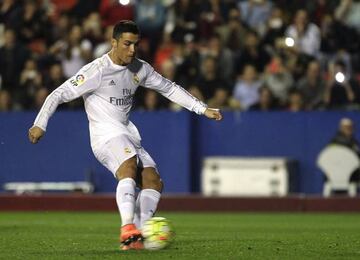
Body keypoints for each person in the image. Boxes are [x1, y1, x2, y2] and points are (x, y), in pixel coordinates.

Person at [27, 20, 222, 250]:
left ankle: (135, 237)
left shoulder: (140, 68)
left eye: (135, 45)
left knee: (153, 182)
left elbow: (169, 88)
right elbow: (58, 94)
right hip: (105, 135)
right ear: (114, 42)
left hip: (127, 133)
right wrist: (40, 123)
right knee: (128, 166)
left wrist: (202, 108)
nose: (132, 50)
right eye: (127, 44)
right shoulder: (96, 70)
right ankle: (127, 226)